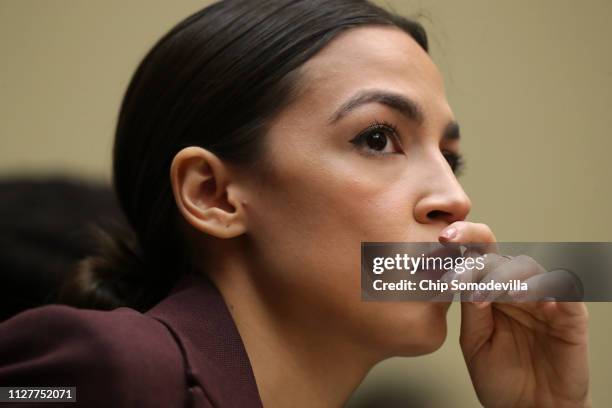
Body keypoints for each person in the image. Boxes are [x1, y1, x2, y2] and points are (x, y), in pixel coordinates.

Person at [0, 1, 590, 407]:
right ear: (214, 195)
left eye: (450, 157)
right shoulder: (110, 371)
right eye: (378, 138)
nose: (454, 199)